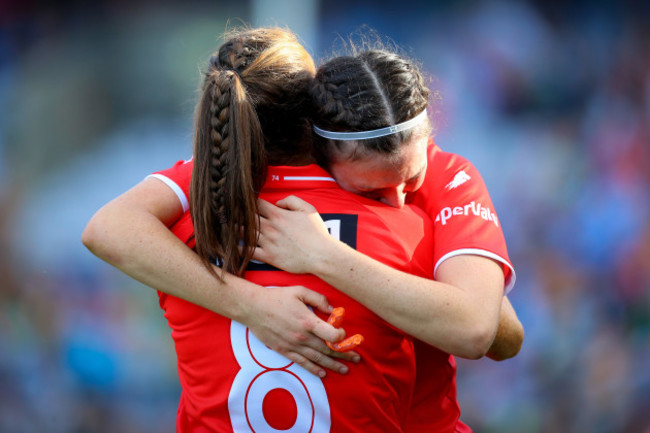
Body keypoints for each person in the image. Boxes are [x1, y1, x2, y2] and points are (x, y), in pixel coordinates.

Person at [82, 27, 523, 431]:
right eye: (376, 189)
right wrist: (254, 304)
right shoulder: (413, 231)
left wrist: (319, 256)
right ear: (317, 128)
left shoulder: (183, 223)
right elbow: (491, 332)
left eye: (409, 181)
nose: (399, 199)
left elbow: (107, 227)